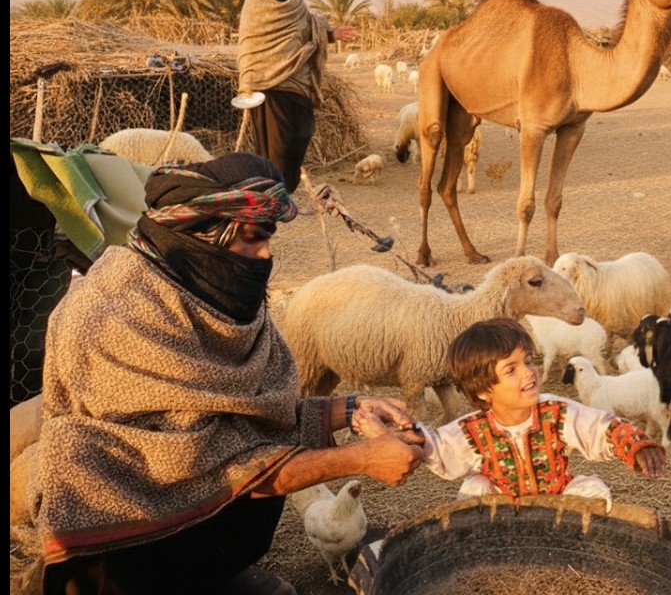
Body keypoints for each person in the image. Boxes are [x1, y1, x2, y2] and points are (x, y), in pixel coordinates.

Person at [36, 153, 426, 595]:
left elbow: (249, 416)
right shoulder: (118, 314)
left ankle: (211, 575)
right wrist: (360, 460)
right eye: (253, 238)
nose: (266, 254)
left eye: (269, 237)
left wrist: (350, 409)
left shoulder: (216, 291)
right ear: (204, 235)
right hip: (123, 545)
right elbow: (198, 462)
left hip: (194, 525)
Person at [411, 318, 665, 506]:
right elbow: (439, 445)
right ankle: (486, 543)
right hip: (502, 509)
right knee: (474, 487)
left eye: (529, 361)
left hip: (556, 503)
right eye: (511, 370)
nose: (529, 372)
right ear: (484, 391)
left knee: (592, 490)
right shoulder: (474, 429)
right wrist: (408, 436)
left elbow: (600, 428)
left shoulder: (556, 412)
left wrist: (636, 445)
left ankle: (574, 544)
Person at [236, 0, 356, 206]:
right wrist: (248, 82)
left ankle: (282, 191)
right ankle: (272, 201)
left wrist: (331, 35)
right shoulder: (256, 3)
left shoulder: (297, 3)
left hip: (298, 84)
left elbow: (309, 28)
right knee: (276, 150)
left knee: (302, 136)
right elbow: (248, 45)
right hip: (268, 85)